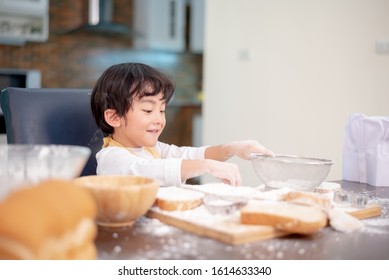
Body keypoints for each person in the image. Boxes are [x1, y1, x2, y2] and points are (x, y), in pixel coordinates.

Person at [90, 62, 273, 187]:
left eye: (162, 110)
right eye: (147, 110)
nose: (159, 119)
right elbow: (148, 171)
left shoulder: (153, 150)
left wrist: (232, 148)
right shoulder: (111, 158)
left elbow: (190, 154)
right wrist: (206, 166)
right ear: (114, 118)